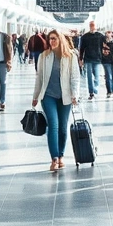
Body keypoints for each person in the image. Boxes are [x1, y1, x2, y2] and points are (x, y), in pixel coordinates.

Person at [32, 30, 81, 171]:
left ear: (60, 40)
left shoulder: (70, 56)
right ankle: (54, 158)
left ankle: (61, 156)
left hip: (65, 97)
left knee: (63, 127)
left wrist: (74, 95)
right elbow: (39, 77)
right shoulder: (44, 56)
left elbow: (75, 77)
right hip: (48, 96)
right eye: (50, 39)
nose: (51, 41)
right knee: (53, 125)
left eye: (54, 39)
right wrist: (35, 96)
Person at [78, 22, 105, 100]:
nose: (92, 27)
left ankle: (95, 88)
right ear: (89, 26)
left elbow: (106, 45)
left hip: (97, 58)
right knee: (89, 76)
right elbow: (82, 49)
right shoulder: (85, 37)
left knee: (97, 76)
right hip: (88, 59)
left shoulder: (100, 36)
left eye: (93, 25)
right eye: (91, 25)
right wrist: (80, 59)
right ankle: (91, 92)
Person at [101, 30, 113, 98]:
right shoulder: (103, 41)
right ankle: (109, 91)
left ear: (112, 33)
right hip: (106, 60)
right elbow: (101, 50)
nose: (108, 34)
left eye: (110, 32)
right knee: (108, 76)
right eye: (107, 32)